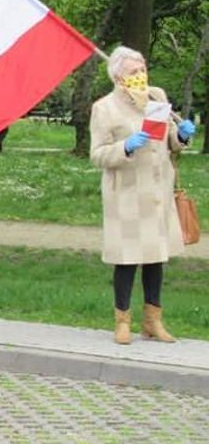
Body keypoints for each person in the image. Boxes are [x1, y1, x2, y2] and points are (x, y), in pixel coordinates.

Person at [90, 46, 196, 345]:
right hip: (126, 194)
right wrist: (125, 146)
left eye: (143, 69)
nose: (141, 75)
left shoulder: (156, 97)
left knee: (155, 258)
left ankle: (153, 321)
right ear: (119, 75)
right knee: (126, 259)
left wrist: (182, 136)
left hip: (157, 191)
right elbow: (97, 154)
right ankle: (122, 320)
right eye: (134, 71)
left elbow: (168, 143)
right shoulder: (105, 107)